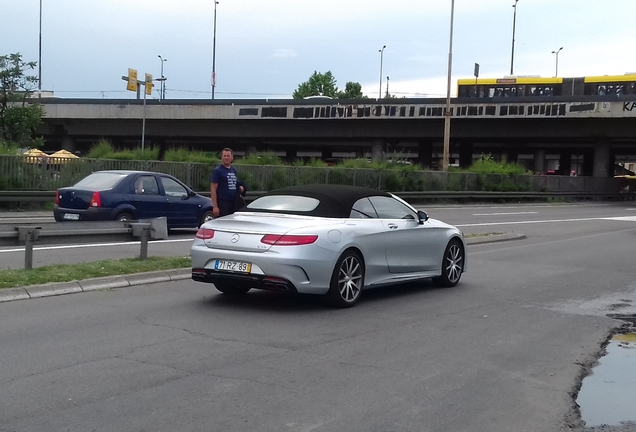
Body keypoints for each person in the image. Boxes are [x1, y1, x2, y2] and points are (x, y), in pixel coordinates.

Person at [210, 148, 245, 217]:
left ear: (232, 157)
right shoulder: (218, 171)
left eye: (228, 156)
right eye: (224, 156)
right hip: (223, 202)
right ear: (221, 157)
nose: (226, 158)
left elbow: (234, 182)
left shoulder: (233, 170)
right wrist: (215, 206)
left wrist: (240, 187)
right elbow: (213, 189)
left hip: (234, 201)